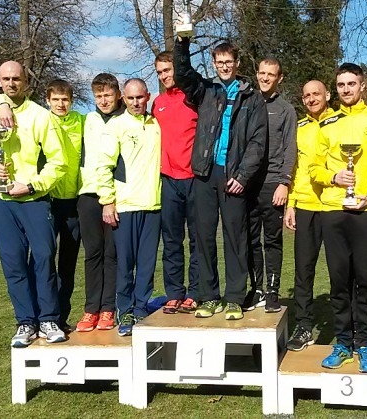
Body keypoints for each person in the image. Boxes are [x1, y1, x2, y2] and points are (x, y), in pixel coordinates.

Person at [309, 63, 367, 373]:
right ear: (336, 89)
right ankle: (343, 342)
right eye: (341, 85)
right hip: (333, 211)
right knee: (338, 282)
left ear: (362, 86)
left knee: (365, 281)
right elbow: (314, 169)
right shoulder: (326, 124)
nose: (346, 89)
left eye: (351, 83)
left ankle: (366, 344)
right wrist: (334, 177)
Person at [174, 36, 268, 321]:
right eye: (219, 62)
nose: (224, 67)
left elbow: (258, 142)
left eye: (229, 62)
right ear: (214, 64)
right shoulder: (206, 90)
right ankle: (209, 296)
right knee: (203, 236)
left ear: (237, 63)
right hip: (205, 172)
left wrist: (242, 176)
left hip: (234, 175)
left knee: (236, 237)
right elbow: (182, 74)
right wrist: (182, 43)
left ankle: (235, 298)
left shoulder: (252, 97)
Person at [0, 60, 67, 347]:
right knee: (13, 263)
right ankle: (25, 322)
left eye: (16, 78)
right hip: (2, 200)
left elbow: (58, 162)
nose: (11, 83)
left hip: (34, 199)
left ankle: (48, 319)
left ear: (25, 81)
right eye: (6, 79)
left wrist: (31, 185)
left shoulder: (41, 116)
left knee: (43, 258)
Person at [0, 80, 84, 331]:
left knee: (67, 265)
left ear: (72, 101)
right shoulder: (42, 119)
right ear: (47, 100)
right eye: (56, 100)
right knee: (41, 260)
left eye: (65, 100)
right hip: (46, 199)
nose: (61, 104)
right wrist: (0, 102)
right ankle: (37, 316)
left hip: (73, 201)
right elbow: (1, 98)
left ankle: (59, 318)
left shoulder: (81, 122)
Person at [99, 78, 161, 336]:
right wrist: (107, 201)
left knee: (147, 264)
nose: (136, 102)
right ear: (123, 99)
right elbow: (104, 165)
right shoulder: (116, 126)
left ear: (148, 97)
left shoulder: (156, 124)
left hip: (153, 206)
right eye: (131, 98)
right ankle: (124, 310)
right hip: (125, 205)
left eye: (140, 97)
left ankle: (141, 308)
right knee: (125, 264)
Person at [284, 80, 333, 351]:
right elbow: (294, 168)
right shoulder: (299, 128)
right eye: (307, 96)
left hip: (335, 206)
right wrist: (291, 204)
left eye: (316, 94)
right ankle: (304, 325)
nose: (312, 99)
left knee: (341, 271)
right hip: (305, 205)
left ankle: (347, 327)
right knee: (303, 270)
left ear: (327, 95)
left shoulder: (339, 122)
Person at [245, 58, 297, 313]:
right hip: (247, 184)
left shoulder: (286, 110)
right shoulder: (247, 103)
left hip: (273, 184)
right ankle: (256, 289)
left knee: (272, 241)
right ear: (257, 74)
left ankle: (273, 290)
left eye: (271, 74)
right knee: (250, 239)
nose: (265, 78)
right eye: (262, 73)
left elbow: (290, 148)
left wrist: (284, 182)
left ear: (279, 78)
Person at [75, 73, 123, 332]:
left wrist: (111, 199)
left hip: (116, 198)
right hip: (88, 195)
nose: (103, 100)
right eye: (98, 96)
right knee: (93, 253)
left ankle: (108, 308)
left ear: (118, 94)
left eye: (108, 95)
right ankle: (91, 309)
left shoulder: (125, 119)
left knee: (111, 254)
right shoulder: (88, 120)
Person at [152, 51, 199, 314]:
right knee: (171, 241)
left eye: (167, 70)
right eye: (159, 72)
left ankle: (195, 292)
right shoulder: (157, 103)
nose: (164, 76)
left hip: (194, 179)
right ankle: (174, 293)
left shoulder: (193, 98)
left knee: (197, 241)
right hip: (169, 180)